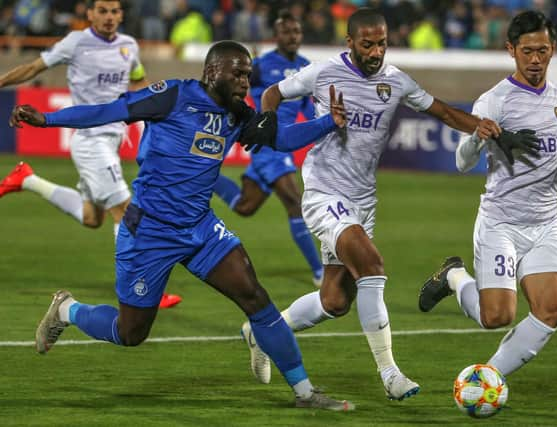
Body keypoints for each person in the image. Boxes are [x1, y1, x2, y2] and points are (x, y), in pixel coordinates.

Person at [10, 40, 355, 411]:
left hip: (200, 228)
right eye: (236, 72)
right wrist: (48, 119)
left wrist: (328, 124)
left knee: (255, 296)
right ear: (211, 72)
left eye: (247, 73)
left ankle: (305, 393)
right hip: (149, 232)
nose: (244, 80)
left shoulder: (239, 114)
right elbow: (111, 110)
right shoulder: (172, 96)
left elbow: (280, 138)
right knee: (130, 333)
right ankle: (67, 310)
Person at [238, 7, 521, 400]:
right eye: (367, 44)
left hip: (362, 200)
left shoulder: (397, 81)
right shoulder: (323, 72)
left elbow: (441, 110)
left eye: (382, 44)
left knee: (335, 301)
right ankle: (390, 374)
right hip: (324, 193)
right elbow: (273, 92)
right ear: (350, 42)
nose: (375, 52)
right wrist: (267, 117)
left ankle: (261, 332)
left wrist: (480, 126)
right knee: (372, 265)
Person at [418, 10, 557, 379]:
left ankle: (487, 378)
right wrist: (479, 135)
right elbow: (461, 161)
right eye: (527, 51)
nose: (535, 60)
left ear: (553, 50)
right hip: (500, 223)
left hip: (545, 224)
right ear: (511, 50)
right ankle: (455, 277)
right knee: (496, 316)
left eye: (542, 50)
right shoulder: (496, 101)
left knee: (551, 310)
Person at [0, 0, 181, 309]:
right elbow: (33, 67)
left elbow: (138, 79)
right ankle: (139, 286)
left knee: (91, 217)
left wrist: (156, 109)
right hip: (90, 140)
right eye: (103, 11)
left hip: (111, 140)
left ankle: (27, 180)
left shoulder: (128, 45)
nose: (109, 17)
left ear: (121, 15)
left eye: (114, 11)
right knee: (125, 209)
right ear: (90, 14)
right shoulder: (76, 42)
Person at [213, 10, 323, 288]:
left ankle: (209, 177)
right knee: (295, 203)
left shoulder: (306, 66)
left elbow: (310, 108)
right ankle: (320, 272)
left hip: (284, 145)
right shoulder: (261, 65)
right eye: (287, 32)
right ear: (277, 35)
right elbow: (236, 87)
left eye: (296, 31)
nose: (293, 36)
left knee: (245, 206)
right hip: (268, 142)